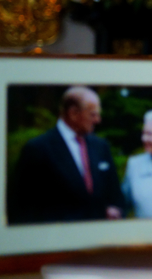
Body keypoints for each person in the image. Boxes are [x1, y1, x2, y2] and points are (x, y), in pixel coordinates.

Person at [9, 87, 124, 224]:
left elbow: (115, 194)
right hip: (57, 238)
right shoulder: (38, 148)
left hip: (99, 237)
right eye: (93, 115)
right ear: (73, 113)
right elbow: (21, 206)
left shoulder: (101, 146)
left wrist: (115, 209)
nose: (98, 120)